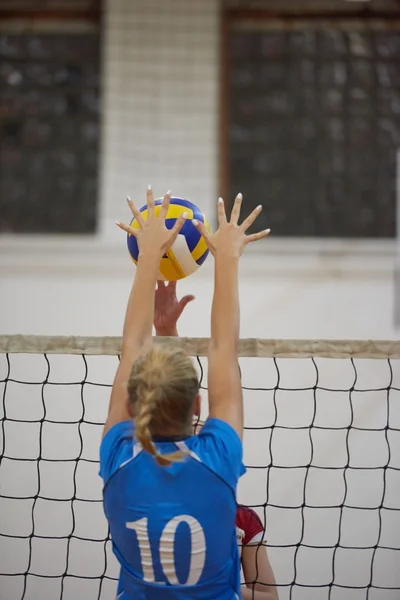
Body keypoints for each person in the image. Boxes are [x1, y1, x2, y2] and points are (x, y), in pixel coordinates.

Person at [99, 186, 268, 600]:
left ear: (130, 404)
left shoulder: (119, 461)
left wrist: (148, 259)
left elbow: (134, 347)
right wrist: (226, 259)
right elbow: (223, 350)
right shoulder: (216, 460)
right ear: (197, 404)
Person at [153, 279, 279, 600]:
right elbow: (179, 403)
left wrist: (222, 589)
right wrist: (166, 332)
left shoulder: (243, 521)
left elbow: (270, 597)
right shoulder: (150, 505)